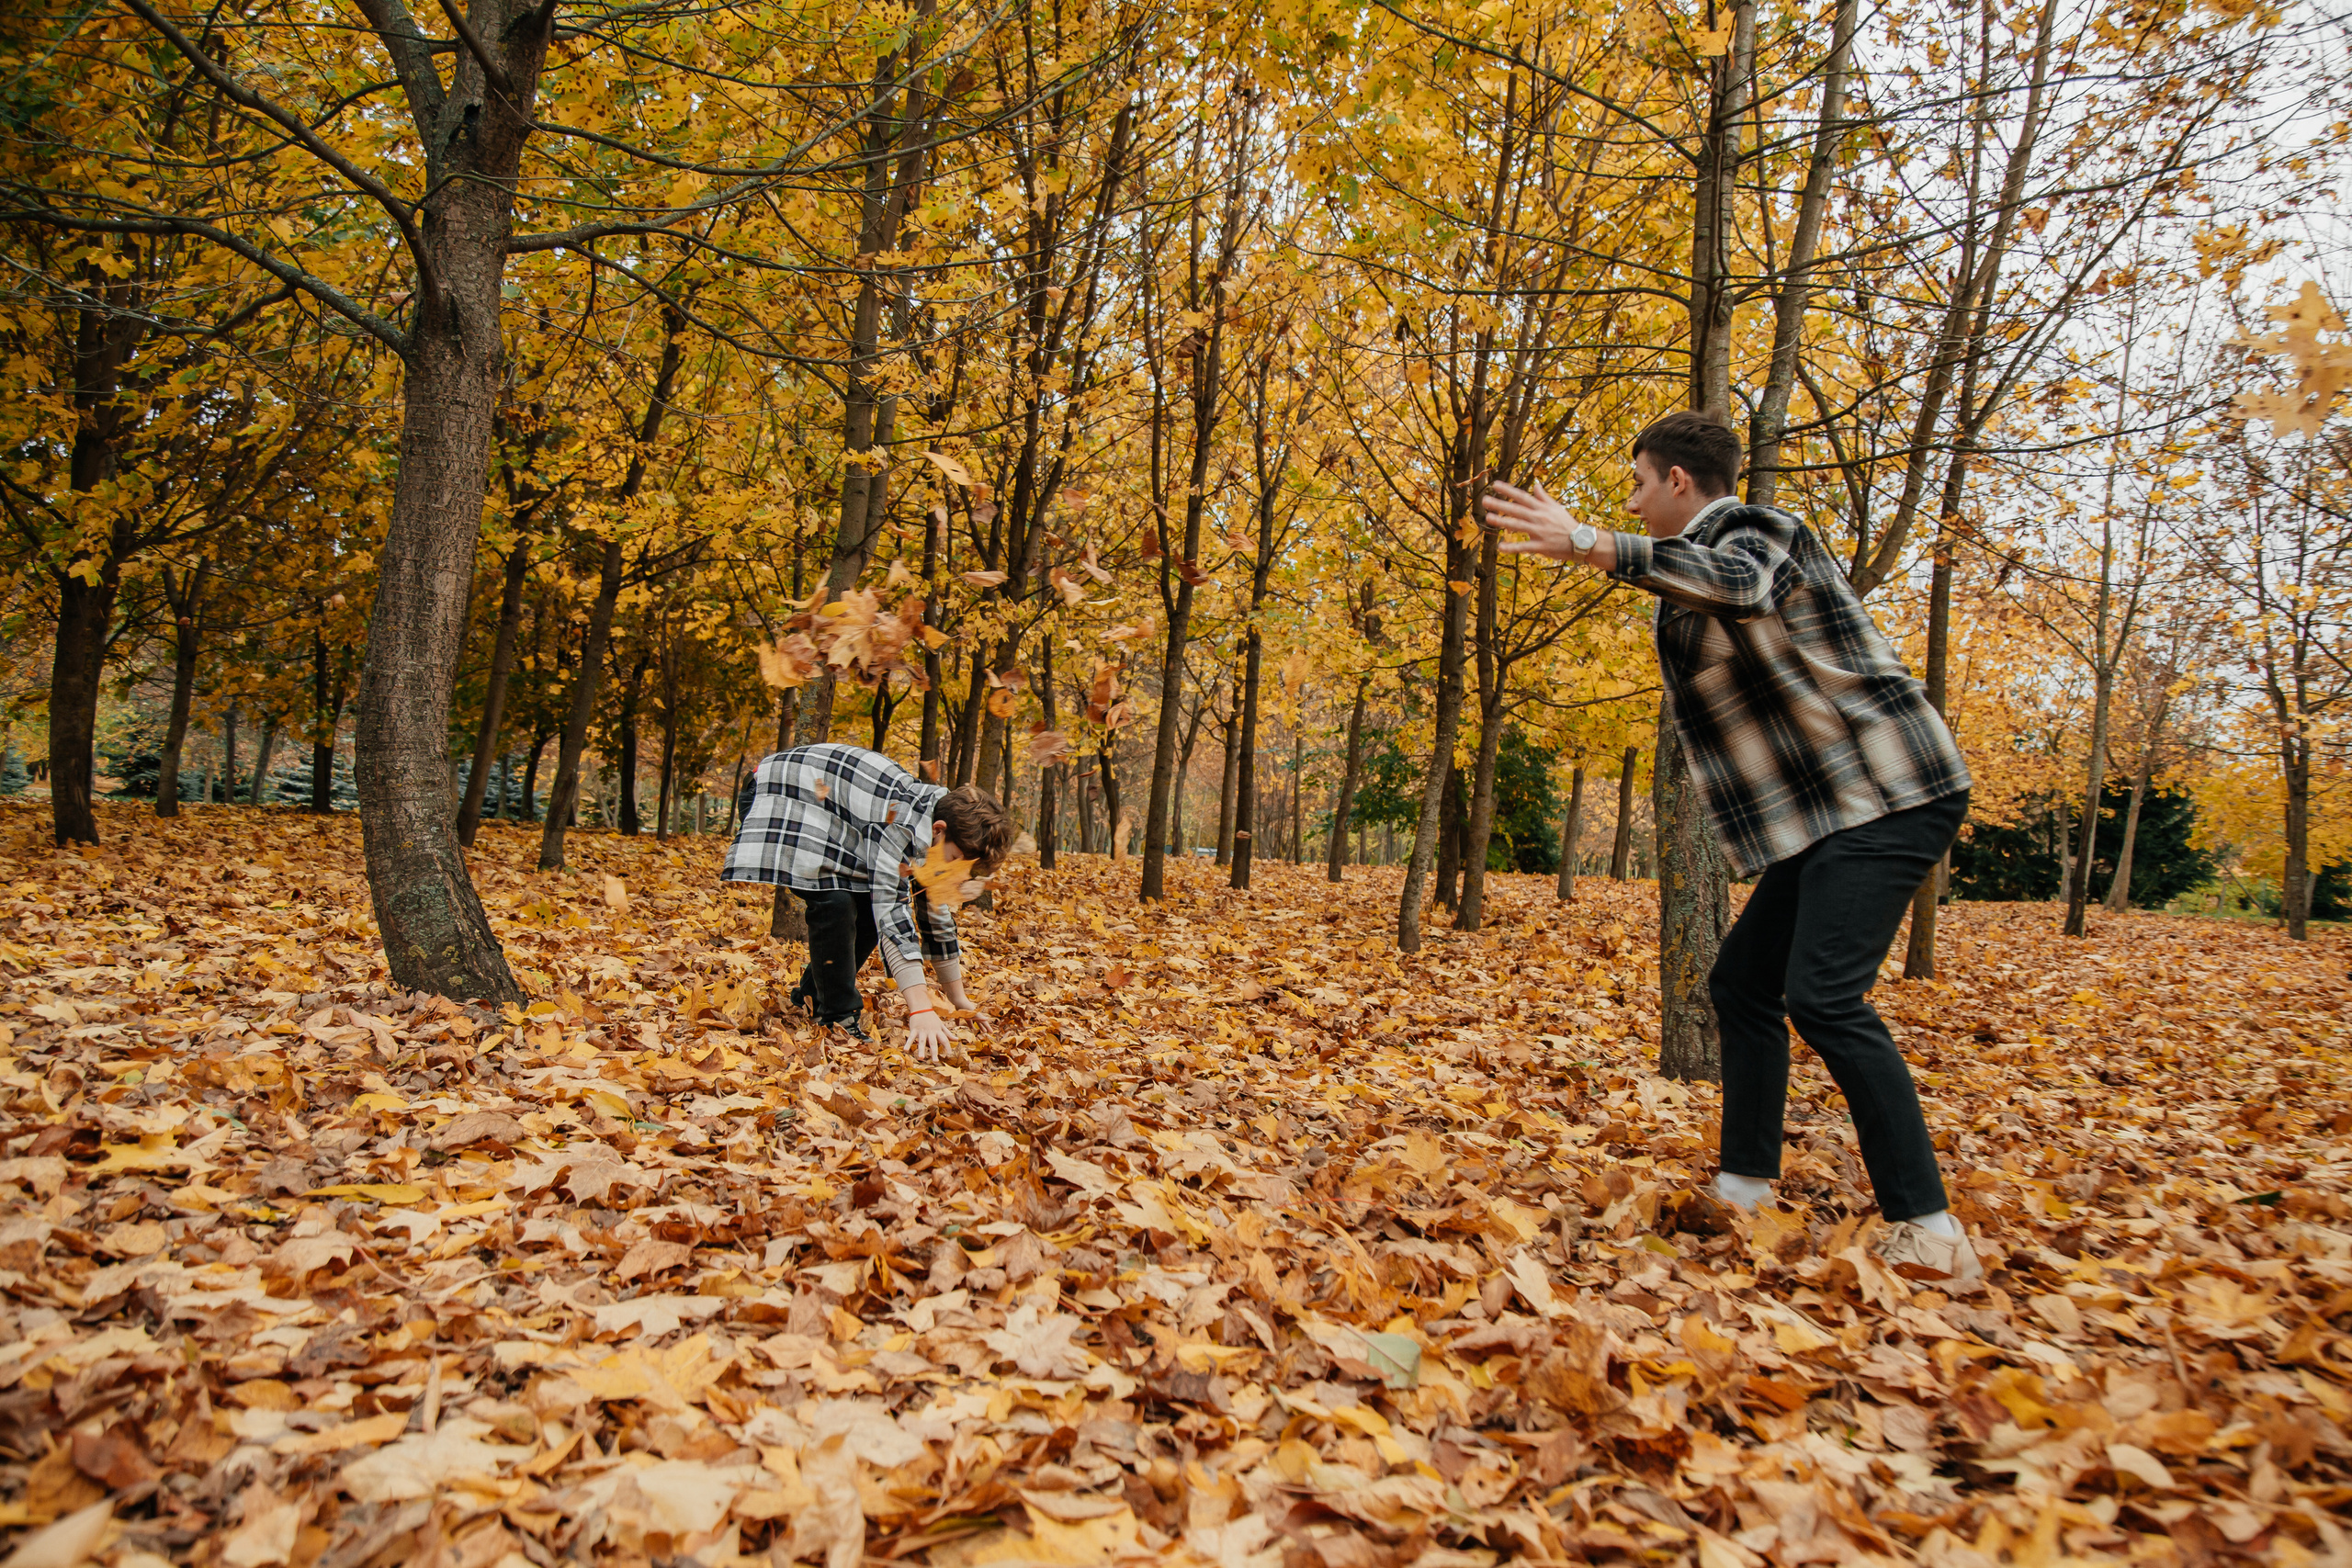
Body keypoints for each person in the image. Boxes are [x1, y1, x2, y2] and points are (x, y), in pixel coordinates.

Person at [1483, 411, 1982, 1281]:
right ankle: (1748, 1186)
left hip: (1889, 789)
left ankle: (1931, 1227)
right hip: (1831, 814)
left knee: (1823, 998)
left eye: (1640, 484)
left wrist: (1587, 542)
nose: (1634, 503)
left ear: (1680, 480)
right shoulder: (1689, 576)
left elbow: (1740, 585)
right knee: (1743, 983)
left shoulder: (1757, 530)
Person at [725, 742, 1012, 1061]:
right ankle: (837, 1015)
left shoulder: (937, 822)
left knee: (864, 907)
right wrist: (921, 1008)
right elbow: (891, 912)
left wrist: (959, 1001)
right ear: (939, 830)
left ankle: (810, 996)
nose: (953, 870)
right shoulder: (901, 825)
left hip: (828, 811)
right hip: (780, 792)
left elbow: (935, 911)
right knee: (834, 901)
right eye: (955, 858)